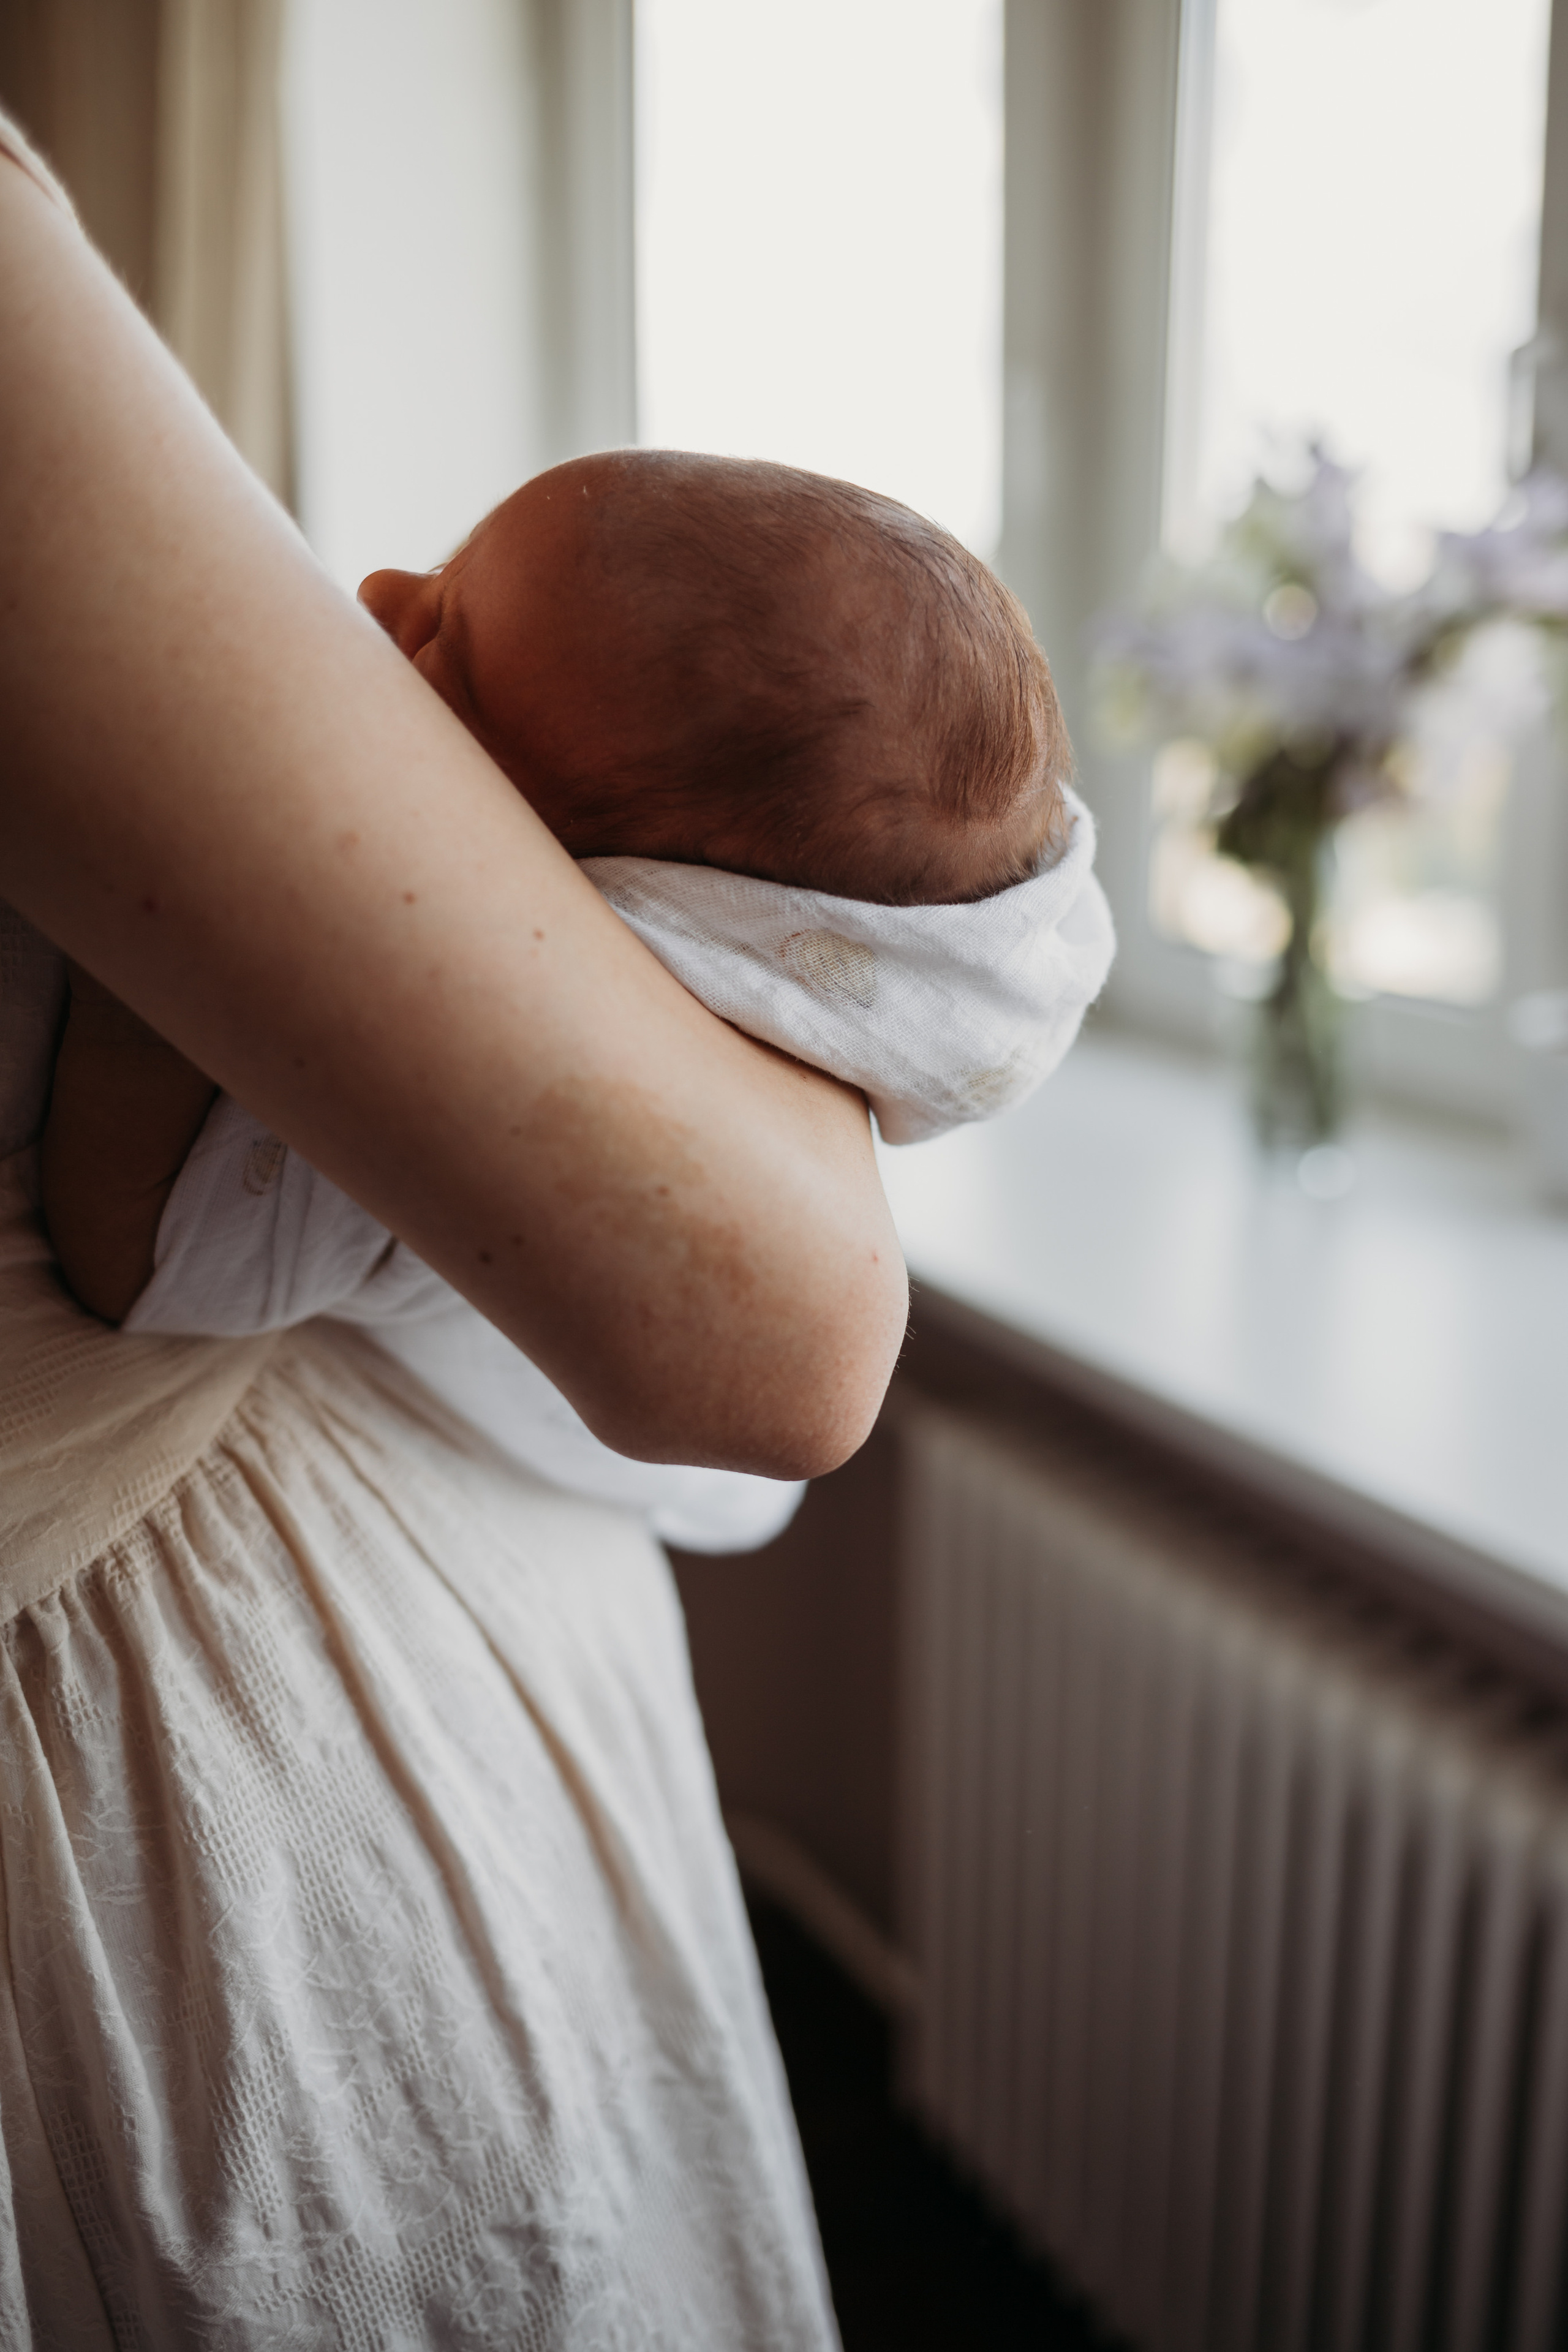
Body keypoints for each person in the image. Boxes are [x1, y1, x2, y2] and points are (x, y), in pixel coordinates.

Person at [0, 108, 911, 2345]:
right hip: (194, 1865)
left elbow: (784, 1354)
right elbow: (785, 1326)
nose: (372, 611)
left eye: (444, 632)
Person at [39, 456, 1114, 1553]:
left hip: (546, 1487)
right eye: (451, 566)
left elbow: (142, 1263)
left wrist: (132, 987)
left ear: (571, 873)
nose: (377, 597)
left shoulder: (480, 1041)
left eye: (440, 643)